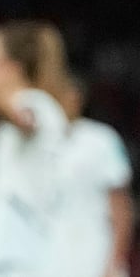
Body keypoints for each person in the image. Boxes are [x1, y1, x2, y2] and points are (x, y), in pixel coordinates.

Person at [0, 19, 73, 277]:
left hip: (20, 255)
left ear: (12, 67)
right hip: (24, 253)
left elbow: (25, 120)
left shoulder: (35, 103)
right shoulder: (34, 111)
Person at [51, 74, 134, 277]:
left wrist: (116, 260)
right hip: (51, 258)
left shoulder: (102, 139)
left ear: (79, 98)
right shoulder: (38, 144)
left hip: (96, 253)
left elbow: (121, 205)